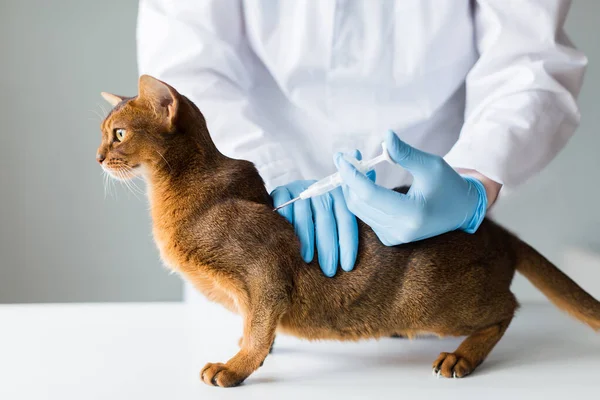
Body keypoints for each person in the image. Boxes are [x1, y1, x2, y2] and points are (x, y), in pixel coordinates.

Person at [137, 0, 586, 280]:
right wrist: (264, 174)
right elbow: (183, 69)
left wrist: (475, 175)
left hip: (430, 241)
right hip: (253, 227)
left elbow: (529, 58)